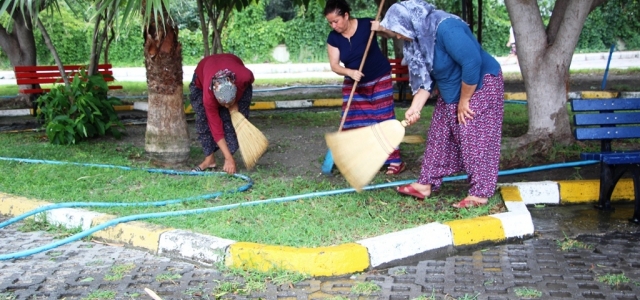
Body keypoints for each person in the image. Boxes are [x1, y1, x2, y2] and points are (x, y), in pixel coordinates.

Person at [371, 0, 504, 208]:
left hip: (478, 84)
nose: (397, 36)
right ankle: (426, 184)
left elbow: (472, 62)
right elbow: (424, 82)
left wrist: (465, 100)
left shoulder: (445, 27)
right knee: (439, 135)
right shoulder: (417, 40)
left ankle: (480, 193)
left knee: (474, 136)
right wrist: (415, 108)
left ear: (408, 22)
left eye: (397, 31)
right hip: (451, 89)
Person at [324, 0, 405, 175]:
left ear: (346, 15)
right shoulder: (333, 38)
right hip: (354, 82)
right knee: (351, 119)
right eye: (330, 22)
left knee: (384, 117)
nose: (333, 25)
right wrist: (350, 72)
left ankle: (395, 161)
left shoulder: (366, 24)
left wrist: (381, 28)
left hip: (379, 77)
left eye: (336, 21)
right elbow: (335, 65)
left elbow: (394, 34)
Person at [189, 53, 254, 175]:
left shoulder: (244, 77)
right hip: (202, 75)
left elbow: (249, 81)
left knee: (235, 120)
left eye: (229, 103)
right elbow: (215, 127)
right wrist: (229, 158)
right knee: (203, 120)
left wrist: (235, 107)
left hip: (231, 64)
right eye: (223, 104)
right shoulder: (208, 98)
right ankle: (210, 159)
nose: (226, 107)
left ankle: (228, 156)